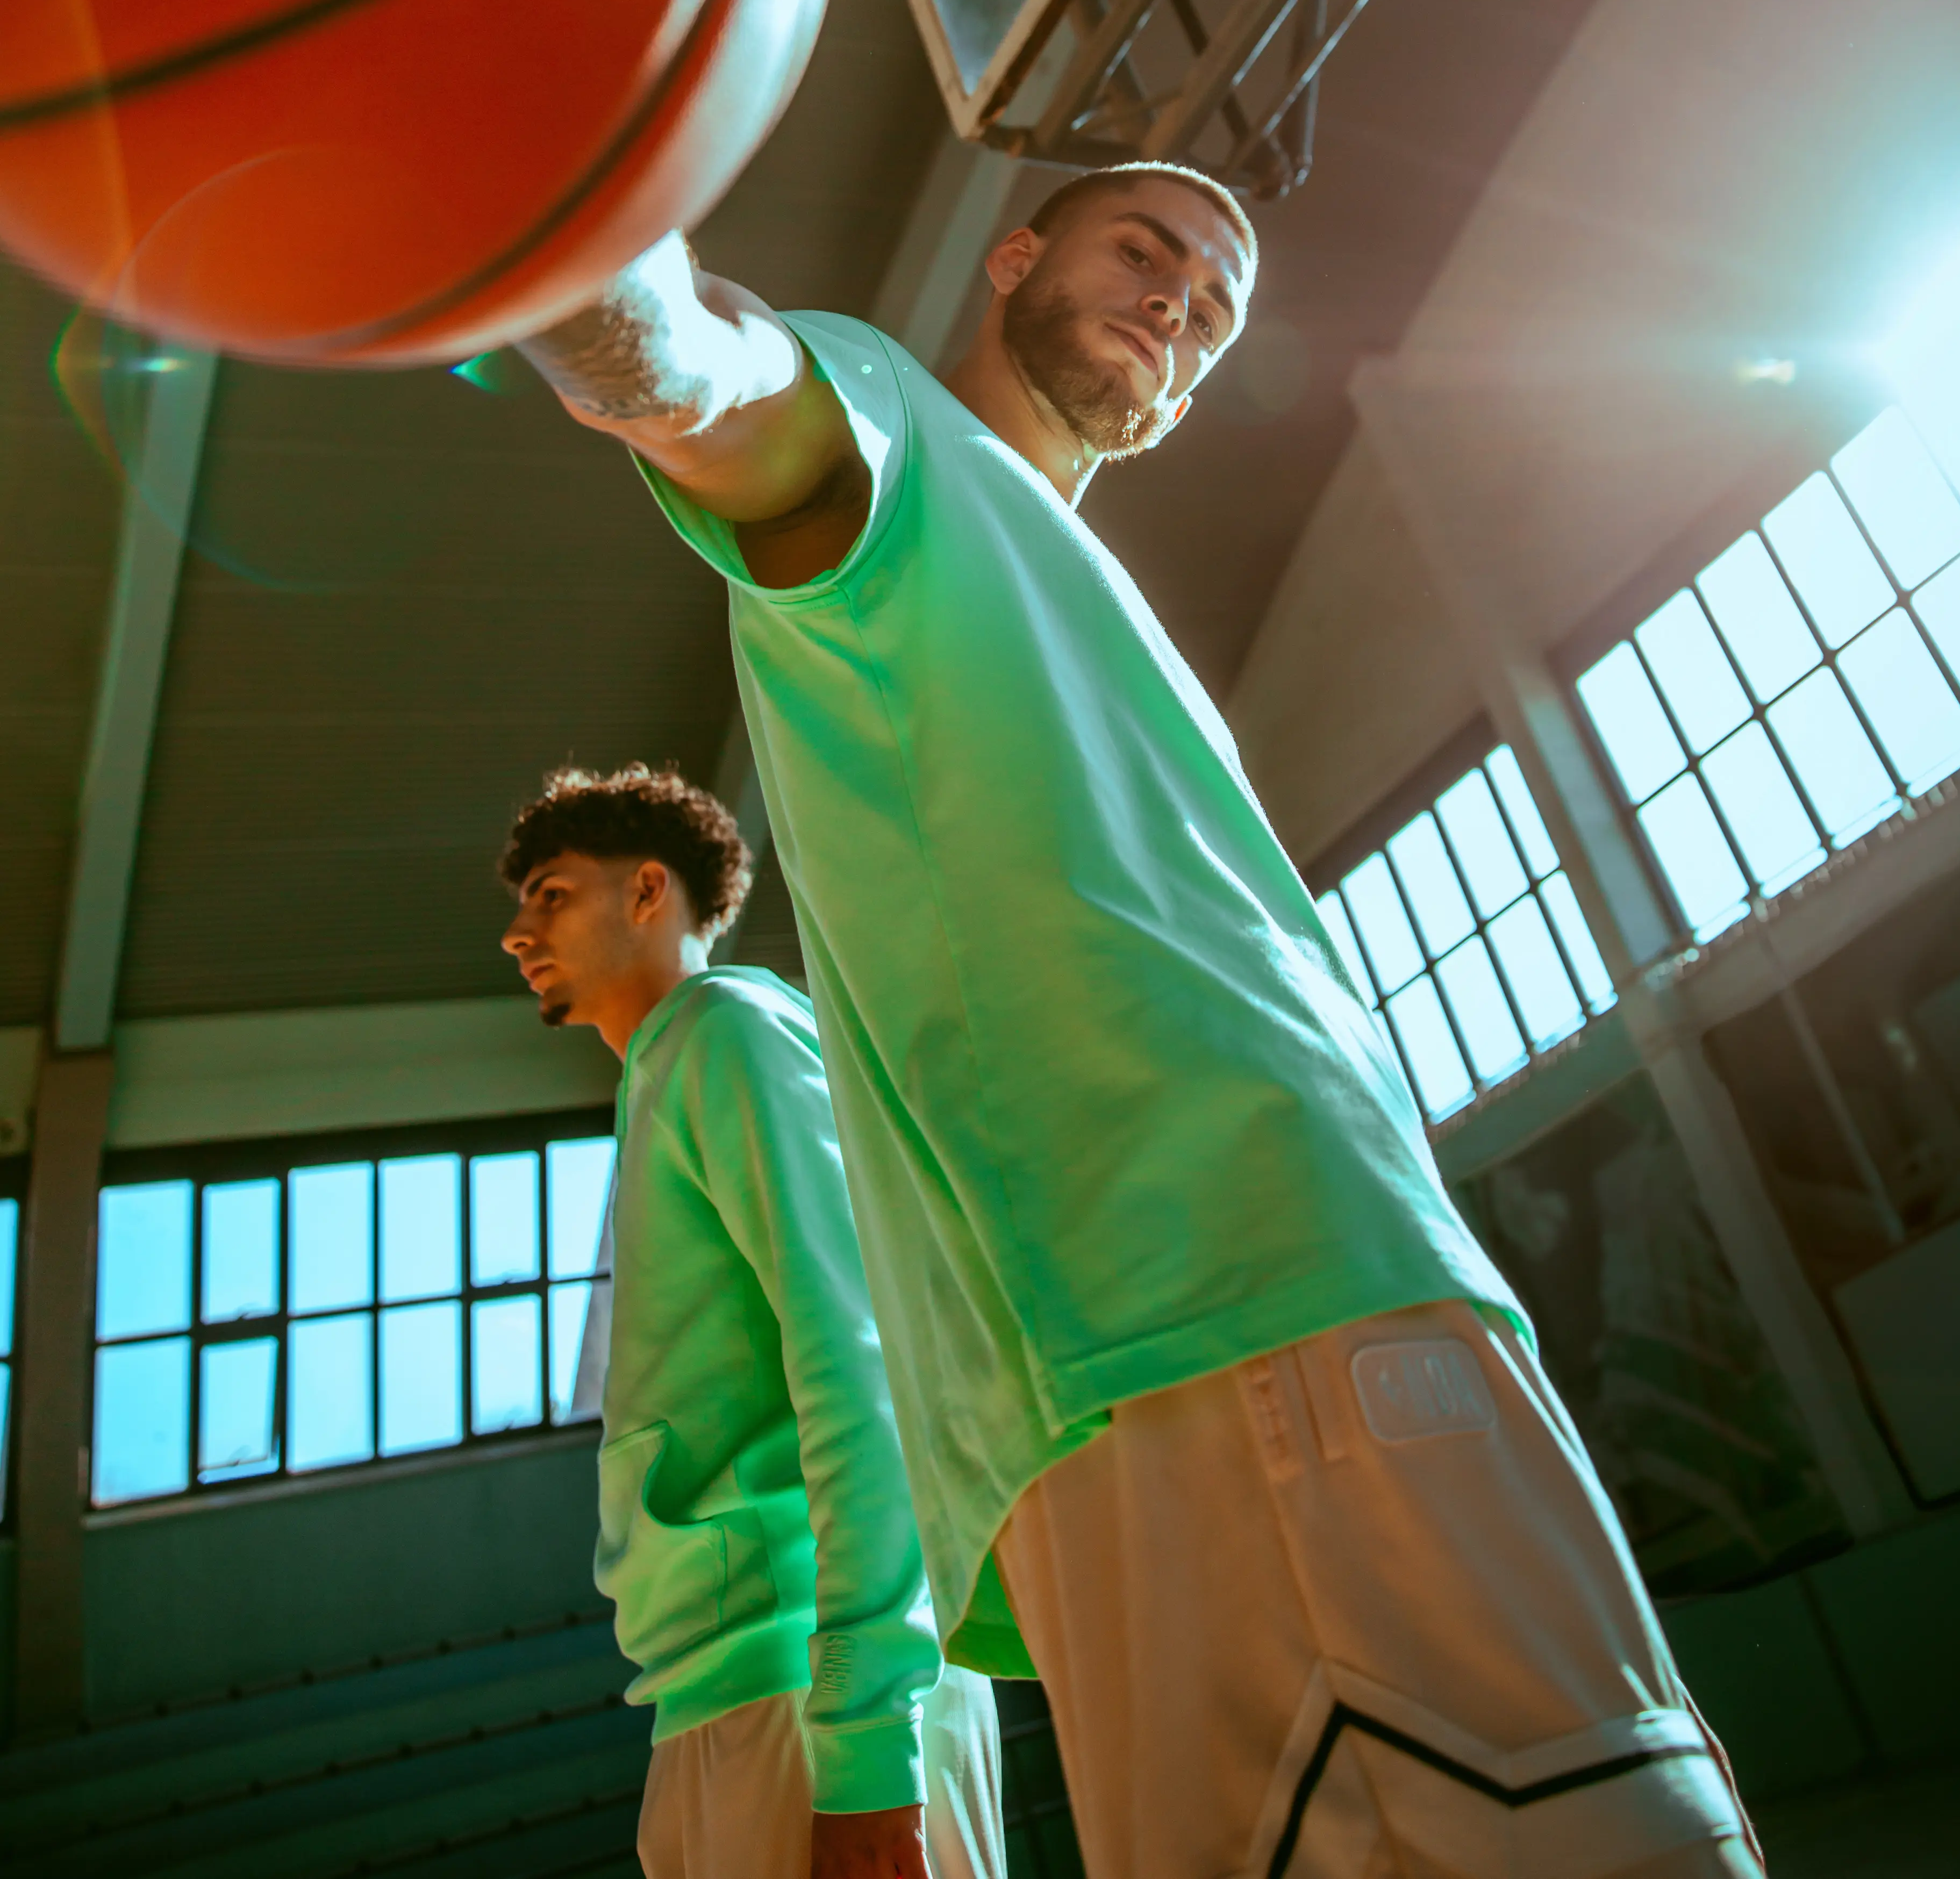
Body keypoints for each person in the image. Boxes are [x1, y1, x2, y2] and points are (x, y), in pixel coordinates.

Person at [517, 165, 1762, 1879]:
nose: (1185, 297)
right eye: (1147, 248)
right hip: (1240, 1323)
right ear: (1016, 256)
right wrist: (560, 226)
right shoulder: (887, 432)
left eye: (1219, 301)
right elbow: (705, 381)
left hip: (1203, 1366)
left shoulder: (1083, 600)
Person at [497, 761, 1003, 1879]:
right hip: (735, 1685)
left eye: (550, 892)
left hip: (802, 1685)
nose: (516, 930)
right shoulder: (675, 1070)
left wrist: (867, 1731)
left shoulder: (723, 1030)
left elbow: (856, 1350)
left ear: (645, 892)